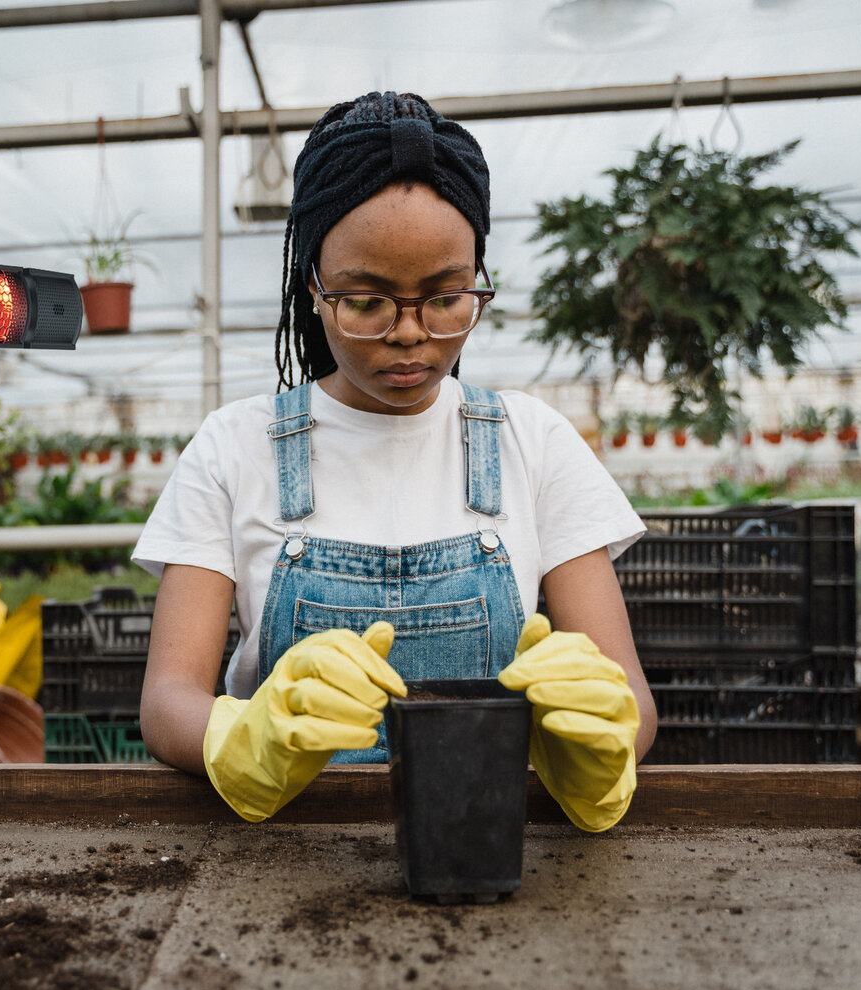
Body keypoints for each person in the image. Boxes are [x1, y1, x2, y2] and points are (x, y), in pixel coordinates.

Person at [133, 91, 655, 832]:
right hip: (288, 858)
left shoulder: (531, 441)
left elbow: (630, 698)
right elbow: (166, 701)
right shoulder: (234, 447)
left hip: (485, 842)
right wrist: (242, 736)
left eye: (446, 298)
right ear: (312, 287)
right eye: (367, 301)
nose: (410, 334)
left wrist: (597, 743)